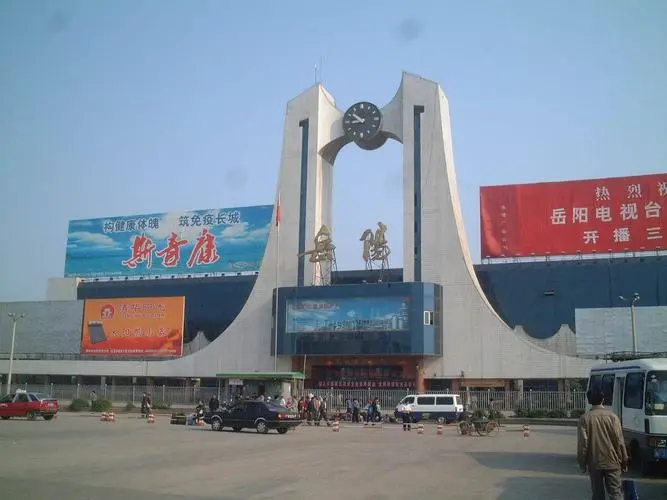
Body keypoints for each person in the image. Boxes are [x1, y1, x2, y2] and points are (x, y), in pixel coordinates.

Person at [577, 389, 628, 500]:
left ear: (589, 400)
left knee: (597, 494)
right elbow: (619, 441)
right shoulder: (613, 417)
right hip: (613, 461)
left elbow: (583, 444)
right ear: (603, 399)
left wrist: (582, 464)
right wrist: (624, 460)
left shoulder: (584, 418)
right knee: (616, 493)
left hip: (594, 462)